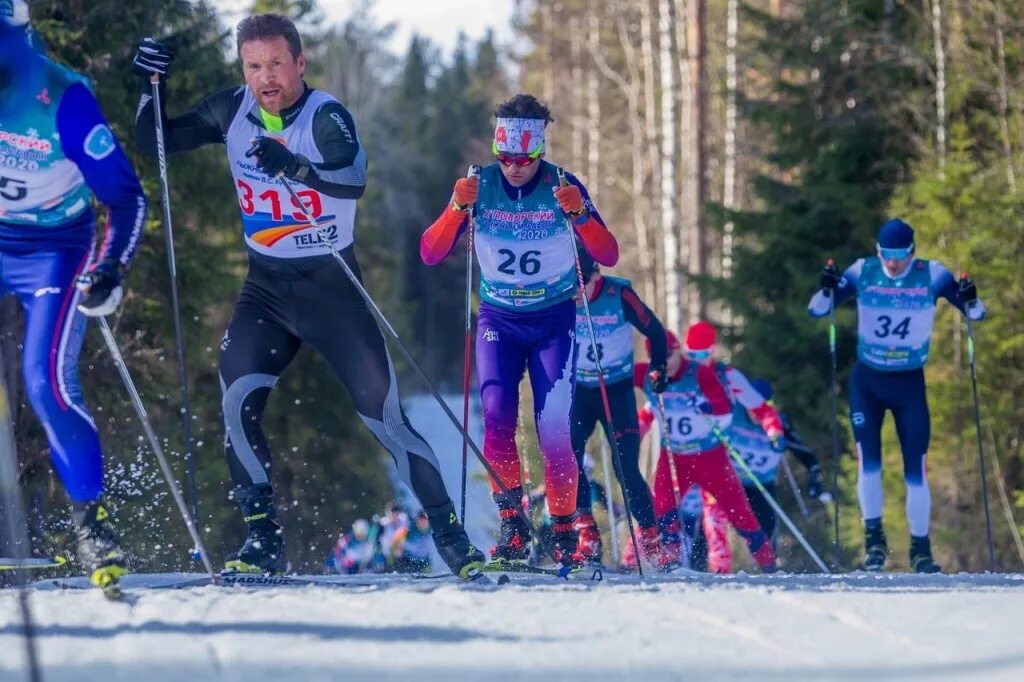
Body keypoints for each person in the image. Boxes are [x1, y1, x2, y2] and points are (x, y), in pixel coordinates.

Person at [132, 13, 481, 579]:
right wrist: (153, 87)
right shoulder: (233, 109)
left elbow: (354, 178)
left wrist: (296, 165)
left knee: (386, 419)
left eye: (275, 63)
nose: (265, 77)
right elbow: (156, 144)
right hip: (267, 289)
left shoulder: (325, 116)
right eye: (253, 66)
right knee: (235, 400)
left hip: (332, 289)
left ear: (300, 63)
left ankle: (452, 539)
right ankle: (262, 542)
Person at [420, 94, 619, 567]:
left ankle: (566, 530)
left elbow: (608, 254)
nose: (512, 168)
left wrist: (582, 215)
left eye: (522, 159)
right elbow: (430, 253)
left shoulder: (563, 185)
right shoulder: (478, 185)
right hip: (499, 321)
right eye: (503, 157)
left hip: (553, 321)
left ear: (539, 153)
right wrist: (454, 208)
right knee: (497, 420)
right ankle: (513, 527)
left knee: (554, 431)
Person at [0, 5, 147, 590]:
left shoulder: (63, 98)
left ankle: (93, 524)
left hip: (54, 247)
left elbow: (126, 199)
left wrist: (112, 267)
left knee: (46, 382)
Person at [809, 218, 985, 573]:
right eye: (886, 254)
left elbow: (976, 314)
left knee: (915, 469)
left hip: (908, 384)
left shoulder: (932, 274)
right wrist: (827, 288)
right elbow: (817, 308)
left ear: (912, 251)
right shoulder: (863, 271)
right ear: (878, 251)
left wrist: (971, 297)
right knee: (868, 464)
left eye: (900, 255)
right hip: (868, 382)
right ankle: (874, 545)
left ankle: (922, 552)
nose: (892, 263)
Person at [639, 326, 779, 573]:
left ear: (712, 351)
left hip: (716, 450)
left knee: (720, 517)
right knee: (664, 511)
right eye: (692, 354)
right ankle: (641, 562)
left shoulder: (727, 375)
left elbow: (759, 406)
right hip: (678, 456)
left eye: (702, 355)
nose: (696, 360)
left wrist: (773, 429)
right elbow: (652, 409)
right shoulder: (672, 374)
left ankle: (724, 572)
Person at [569, 249, 673, 568]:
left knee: (625, 468)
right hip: (578, 390)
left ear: (596, 277)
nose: (574, 293)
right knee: (567, 459)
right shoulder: (560, 295)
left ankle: (652, 540)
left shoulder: (619, 293)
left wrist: (658, 369)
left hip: (615, 390)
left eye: (580, 285)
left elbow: (655, 331)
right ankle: (586, 532)